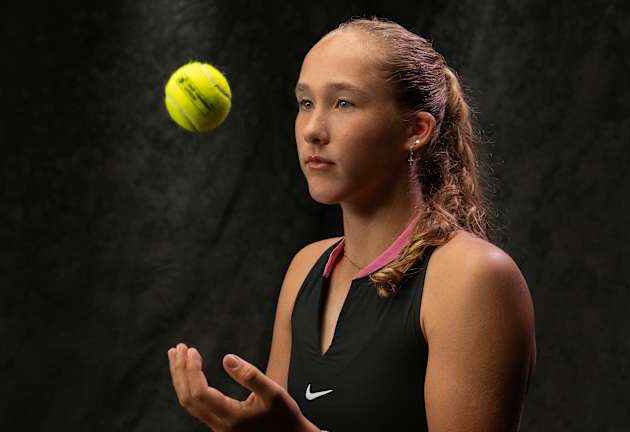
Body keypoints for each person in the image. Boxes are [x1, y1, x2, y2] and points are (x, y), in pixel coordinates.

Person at [167, 15, 536, 432]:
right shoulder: (306, 269)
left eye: (344, 103)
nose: (313, 130)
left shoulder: (472, 278)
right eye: (306, 103)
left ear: (416, 130)